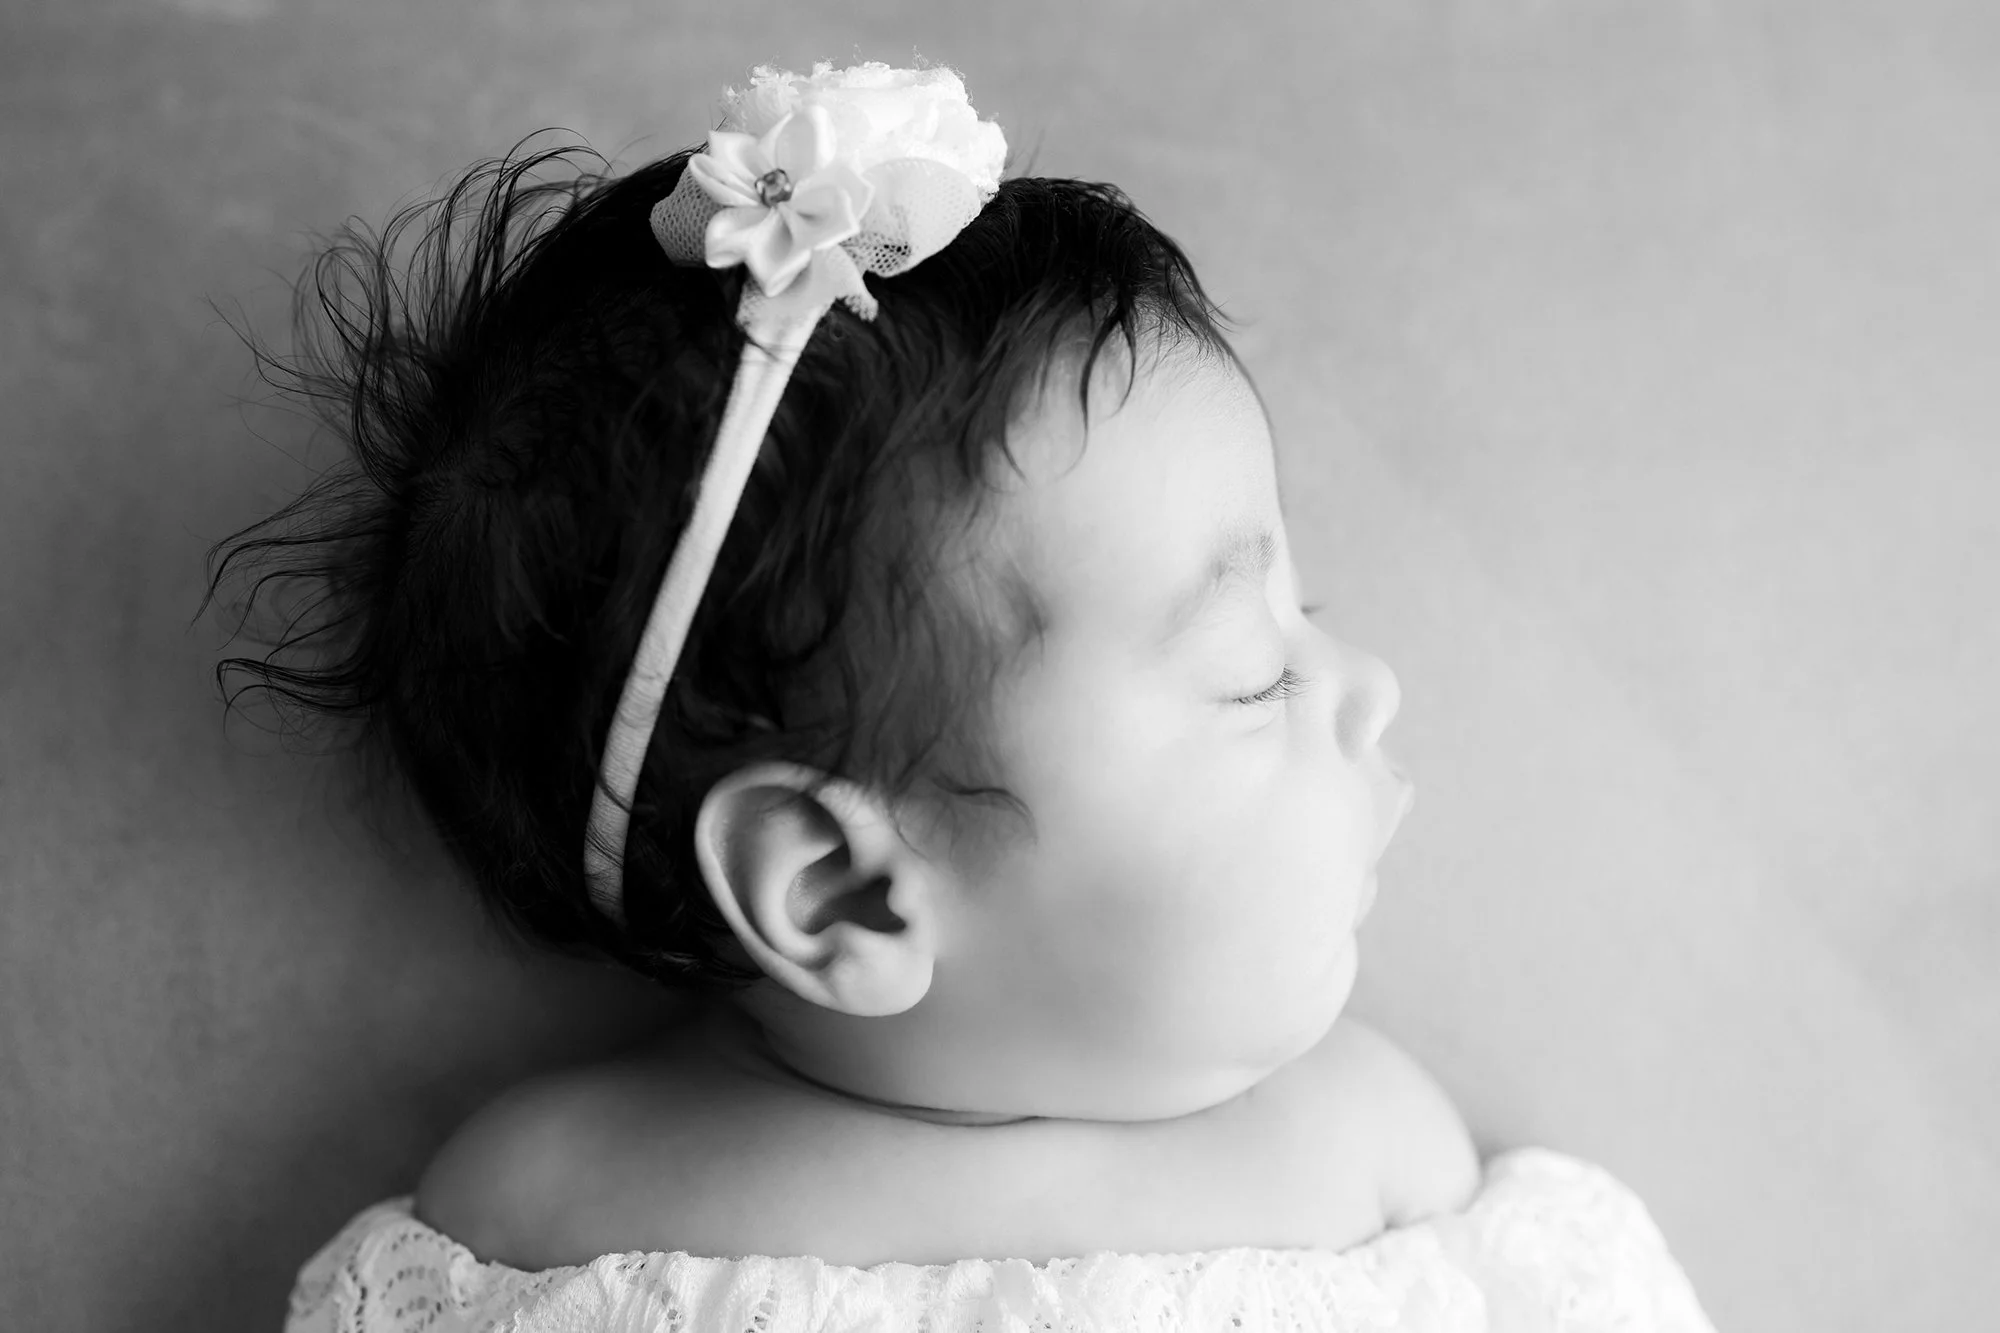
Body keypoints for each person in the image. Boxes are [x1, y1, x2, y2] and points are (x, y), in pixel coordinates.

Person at [215, 60, 1716, 1332]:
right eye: (1254, 675)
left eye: (1296, 625)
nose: (1368, 688)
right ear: (843, 892)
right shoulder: (538, 1231)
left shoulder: (1376, 1167)